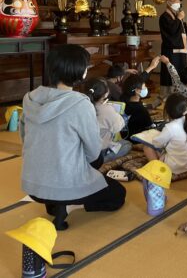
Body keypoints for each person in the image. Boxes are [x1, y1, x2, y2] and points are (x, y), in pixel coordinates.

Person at [20, 44, 126, 230]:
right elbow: (93, 151)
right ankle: (69, 205)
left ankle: (57, 203)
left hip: (32, 183)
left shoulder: (30, 98)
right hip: (64, 183)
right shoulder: (80, 104)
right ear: (81, 72)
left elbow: (24, 137)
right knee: (118, 194)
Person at [143, 93, 187, 175]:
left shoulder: (170, 127)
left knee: (147, 147)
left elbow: (157, 144)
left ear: (167, 110)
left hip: (176, 167)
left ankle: (158, 170)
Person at [83, 77, 131, 163]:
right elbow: (118, 127)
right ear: (105, 94)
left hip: (82, 150)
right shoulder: (107, 109)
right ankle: (102, 160)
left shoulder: (79, 106)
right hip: (98, 152)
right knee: (127, 145)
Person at [159, 0, 187, 93]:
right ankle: (169, 93)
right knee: (171, 71)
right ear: (168, 3)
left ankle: (181, 91)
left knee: (180, 69)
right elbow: (172, 30)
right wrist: (178, 19)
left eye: (179, 1)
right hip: (171, 49)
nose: (177, 3)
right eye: (175, 1)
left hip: (180, 49)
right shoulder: (164, 17)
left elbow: (181, 30)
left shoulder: (176, 15)